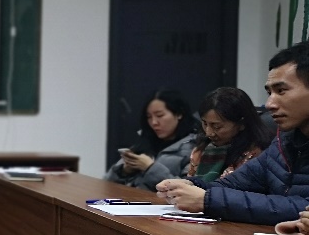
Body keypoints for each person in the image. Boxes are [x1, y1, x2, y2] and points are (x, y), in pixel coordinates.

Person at [158, 42, 309, 223]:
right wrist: (192, 185)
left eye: (281, 91)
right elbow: (235, 184)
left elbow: (302, 207)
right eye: (270, 92)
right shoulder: (284, 141)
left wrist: (207, 200)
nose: (269, 104)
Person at [104, 89, 196, 191]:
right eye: (149, 117)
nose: (154, 122)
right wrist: (124, 171)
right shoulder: (144, 142)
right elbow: (106, 182)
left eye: (160, 115)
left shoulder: (193, 148)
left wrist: (150, 168)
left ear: (179, 114)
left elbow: (188, 190)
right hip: (128, 199)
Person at [185, 87, 270, 181]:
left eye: (217, 126)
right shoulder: (201, 150)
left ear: (242, 124)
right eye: (205, 124)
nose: (209, 133)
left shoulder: (256, 156)